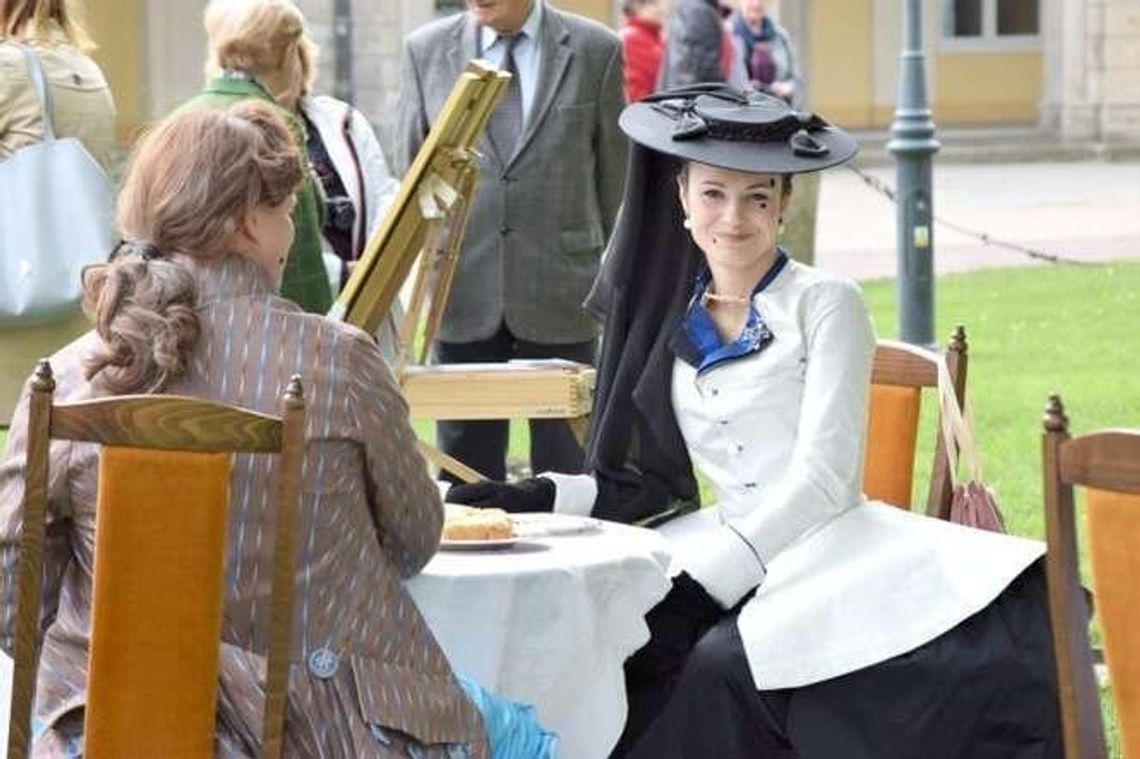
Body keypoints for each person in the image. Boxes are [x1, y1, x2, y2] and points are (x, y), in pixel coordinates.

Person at [449, 87, 1062, 757]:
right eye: (713, 194)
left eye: (758, 197)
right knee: (597, 633)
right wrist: (544, 492)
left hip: (829, 542)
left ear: (785, 206)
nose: (733, 218)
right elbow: (650, 477)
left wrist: (709, 585)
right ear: (682, 198)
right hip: (717, 533)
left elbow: (825, 481)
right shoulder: (668, 313)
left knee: (718, 669)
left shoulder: (828, 302)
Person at [0, 102, 557, 757]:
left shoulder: (65, 379)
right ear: (246, 222)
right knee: (526, 734)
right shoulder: (337, 360)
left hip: (117, 732)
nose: (294, 233)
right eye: (288, 211)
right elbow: (412, 540)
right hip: (328, 730)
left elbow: (14, 605)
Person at [397, 0, 628, 483]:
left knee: (566, 467)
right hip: (461, 292)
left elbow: (616, 184)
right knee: (464, 471)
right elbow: (413, 176)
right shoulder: (425, 51)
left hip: (564, 289)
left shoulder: (595, 50)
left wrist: (608, 275)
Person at [181, 0, 332, 315]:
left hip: (192, 312)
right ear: (291, 52)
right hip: (261, 322)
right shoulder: (275, 124)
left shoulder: (180, 118)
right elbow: (300, 256)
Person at [727, 0, 801, 106]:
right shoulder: (728, 34)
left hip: (777, 107)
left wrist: (787, 88)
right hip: (740, 108)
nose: (756, 4)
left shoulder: (780, 36)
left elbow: (797, 78)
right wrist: (746, 88)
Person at [619, 0, 665, 103]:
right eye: (650, 4)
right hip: (641, 107)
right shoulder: (631, 37)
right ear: (635, 7)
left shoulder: (656, 37)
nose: (658, 9)